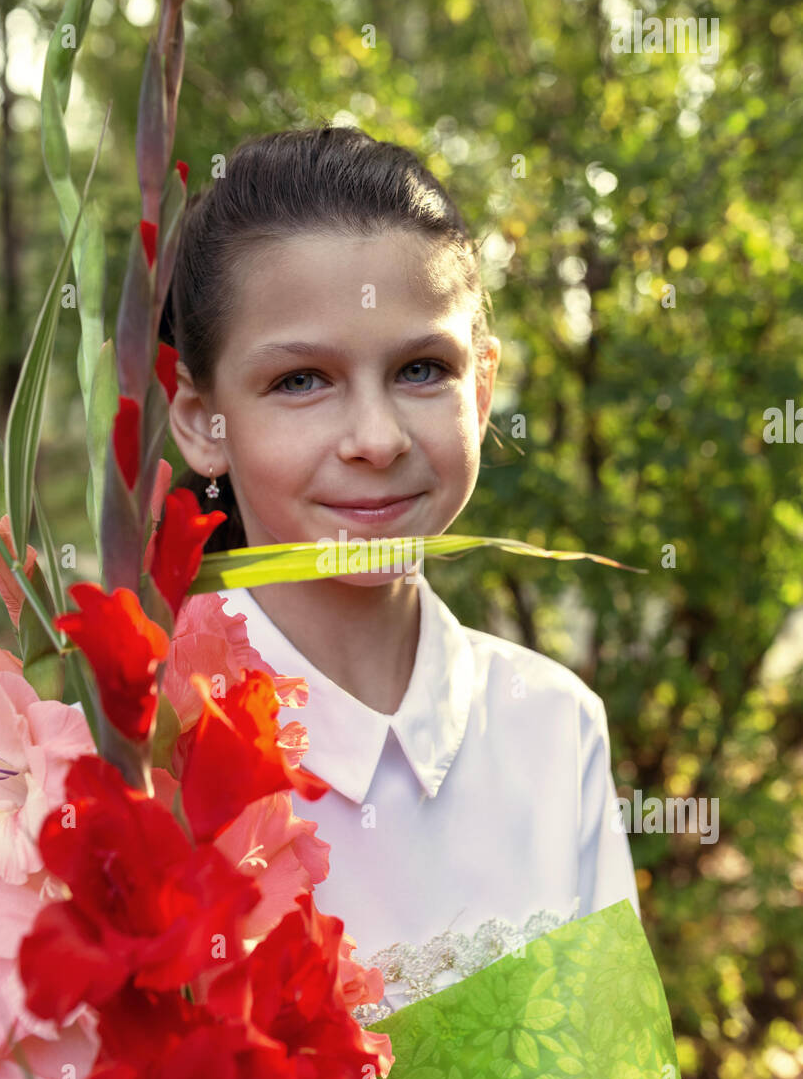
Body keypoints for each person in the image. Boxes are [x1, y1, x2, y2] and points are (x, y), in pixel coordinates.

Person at [166, 124, 640, 1021]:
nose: (377, 441)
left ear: (483, 387)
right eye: (302, 381)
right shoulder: (119, 750)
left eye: (423, 370)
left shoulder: (554, 729)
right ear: (201, 420)